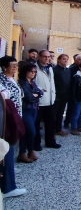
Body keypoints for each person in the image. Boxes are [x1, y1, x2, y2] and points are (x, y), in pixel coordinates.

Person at [0, 56, 27, 198]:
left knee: (9, 148)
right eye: (12, 65)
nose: (15, 67)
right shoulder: (2, 79)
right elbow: (4, 95)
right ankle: (8, 187)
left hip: (14, 115)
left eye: (16, 65)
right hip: (6, 118)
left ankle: (9, 170)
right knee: (6, 148)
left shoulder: (12, 79)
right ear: (4, 67)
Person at [34, 50, 61, 149]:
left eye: (48, 57)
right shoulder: (34, 68)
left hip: (50, 100)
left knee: (50, 123)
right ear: (39, 57)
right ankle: (36, 144)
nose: (47, 58)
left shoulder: (50, 68)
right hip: (39, 101)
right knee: (36, 124)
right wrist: (38, 91)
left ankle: (50, 142)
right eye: (45, 56)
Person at [17, 63, 43, 162]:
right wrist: (36, 95)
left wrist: (36, 95)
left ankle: (28, 152)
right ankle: (25, 152)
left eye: (35, 72)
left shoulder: (32, 82)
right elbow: (28, 97)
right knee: (31, 131)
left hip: (34, 109)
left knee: (28, 131)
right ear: (25, 72)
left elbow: (40, 92)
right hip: (26, 110)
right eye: (31, 71)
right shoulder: (21, 82)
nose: (33, 73)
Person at [64, 54, 81, 128]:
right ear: (75, 61)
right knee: (71, 108)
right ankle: (67, 122)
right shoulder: (71, 69)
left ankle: (80, 121)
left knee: (80, 109)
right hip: (73, 92)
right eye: (79, 60)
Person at [53, 54, 71, 136]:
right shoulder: (54, 70)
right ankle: (51, 130)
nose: (65, 60)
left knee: (60, 113)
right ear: (59, 60)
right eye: (64, 59)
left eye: (67, 59)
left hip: (65, 95)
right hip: (56, 95)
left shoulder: (68, 70)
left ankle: (58, 129)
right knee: (53, 114)